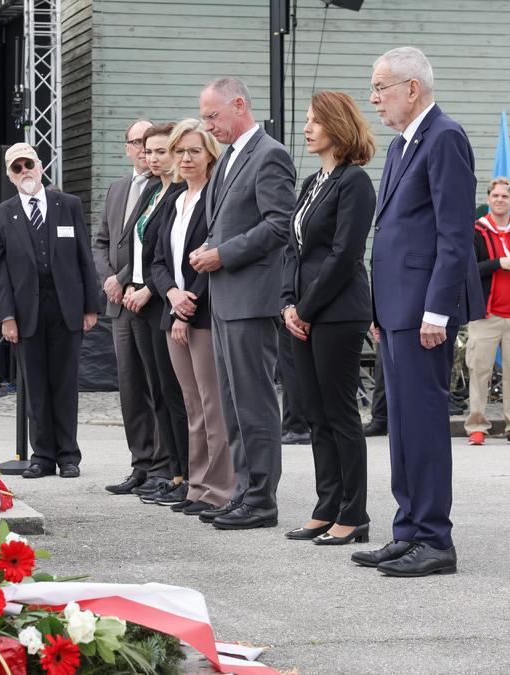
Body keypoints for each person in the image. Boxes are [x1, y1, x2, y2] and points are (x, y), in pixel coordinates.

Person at [351, 47, 482, 578]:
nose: (374, 98)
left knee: (424, 425)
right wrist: (382, 307)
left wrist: (436, 310)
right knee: (402, 425)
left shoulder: (444, 136)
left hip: (424, 311)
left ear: (412, 88)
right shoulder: (404, 144)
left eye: (381, 86)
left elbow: (454, 235)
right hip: (398, 309)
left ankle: (434, 539)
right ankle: (408, 530)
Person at [189, 76, 295, 530]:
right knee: (231, 403)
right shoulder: (230, 157)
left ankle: (262, 499)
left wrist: (222, 253)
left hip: (251, 300)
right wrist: (209, 249)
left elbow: (279, 224)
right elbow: (226, 223)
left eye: (213, 116)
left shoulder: (269, 154)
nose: (208, 125)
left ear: (239, 105)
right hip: (225, 299)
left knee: (253, 403)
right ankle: (243, 491)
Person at [280, 91, 376, 546]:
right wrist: (287, 302)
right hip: (302, 311)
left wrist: (307, 308)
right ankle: (326, 505)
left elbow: (344, 256)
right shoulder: (314, 182)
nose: (307, 127)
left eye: (315, 120)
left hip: (336, 313)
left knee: (339, 415)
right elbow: (293, 248)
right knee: (314, 413)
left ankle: (353, 514)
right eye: (306, 119)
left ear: (337, 126)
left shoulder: (354, 182)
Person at [0, 143, 98, 480]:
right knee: (34, 385)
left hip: (66, 307)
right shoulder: (1, 215)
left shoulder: (69, 205)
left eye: (29, 165)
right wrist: (7, 316)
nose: (25, 172)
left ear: (41, 165)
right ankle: (42, 456)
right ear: (9, 175)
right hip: (26, 311)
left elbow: (84, 257)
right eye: (17, 168)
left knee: (65, 383)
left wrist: (91, 307)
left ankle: (69, 456)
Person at [150, 118, 236, 516]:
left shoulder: (215, 199)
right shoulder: (172, 200)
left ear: (209, 156)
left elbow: (212, 256)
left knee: (212, 404)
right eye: (179, 151)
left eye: (194, 151)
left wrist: (189, 305)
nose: (185, 158)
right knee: (191, 404)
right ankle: (197, 486)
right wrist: (171, 294)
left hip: (203, 315)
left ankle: (220, 489)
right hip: (175, 313)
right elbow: (157, 260)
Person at [94, 119, 173, 497]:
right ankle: (140, 464)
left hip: (148, 297)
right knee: (130, 387)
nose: (144, 149)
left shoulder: (165, 186)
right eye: (137, 143)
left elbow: (149, 243)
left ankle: (163, 465)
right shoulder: (117, 188)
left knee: (157, 383)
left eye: (151, 143)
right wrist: (109, 277)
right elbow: (102, 241)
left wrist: (124, 277)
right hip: (118, 305)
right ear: (127, 148)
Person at [128, 122, 191, 506]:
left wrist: (151, 287)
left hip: (162, 299)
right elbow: (138, 248)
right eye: (147, 151)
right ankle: (171, 469)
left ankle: (184, 472)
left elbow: (167, 256)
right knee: (157, 391)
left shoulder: (181, 193)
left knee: (174, 392)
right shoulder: (153, 191)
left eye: (160, 151)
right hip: (142, 297)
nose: (152, 158)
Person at [464, 177, 510, 447]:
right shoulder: (476, 231)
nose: (499, 200)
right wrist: (499, 263)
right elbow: (469, 269)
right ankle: (476, 425)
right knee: (480, 370)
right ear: (488, 198)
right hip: (486, 313)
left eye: (505, 196)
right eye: (494, 195)